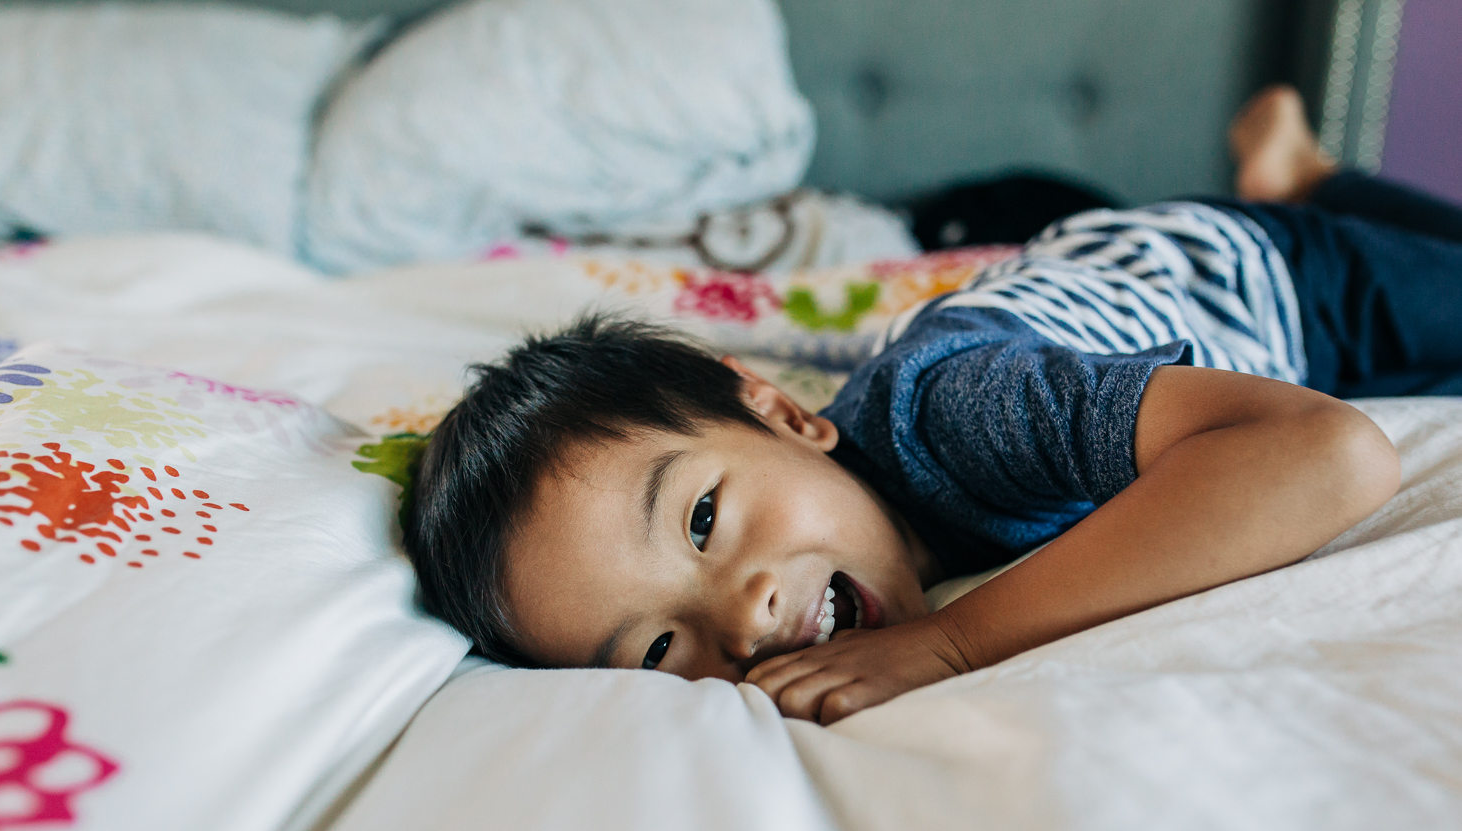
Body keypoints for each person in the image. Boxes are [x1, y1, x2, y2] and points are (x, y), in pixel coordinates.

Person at [406, 86, 1460, 724]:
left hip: (1262, 277)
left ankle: (1302, 180)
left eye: (700, 520)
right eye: (653, 651)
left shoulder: (957, 417)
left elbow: (1328, 454)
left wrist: (957, 645)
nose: (741, 617)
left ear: (784, 416)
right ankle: (1299, 171)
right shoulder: (847, 538)